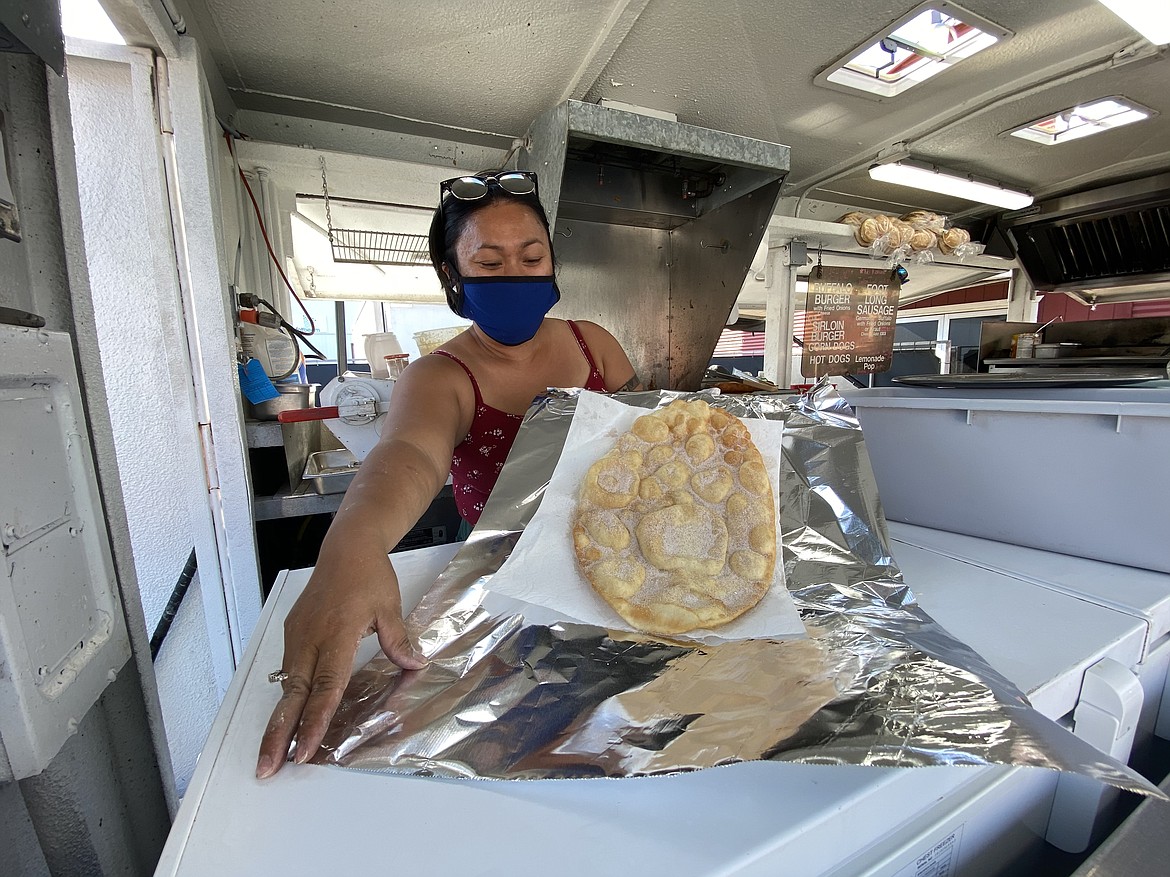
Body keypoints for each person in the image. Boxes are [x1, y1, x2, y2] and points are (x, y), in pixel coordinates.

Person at [256, 170, 640, 778]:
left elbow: (644, 439)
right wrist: (351, 551)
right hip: (505, 591)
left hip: (619, 573)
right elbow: (408, 454)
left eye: (531, 257)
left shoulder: (595, 345)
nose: (515, 275)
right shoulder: (440, 376)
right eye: (489, 264)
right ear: (453, 278)